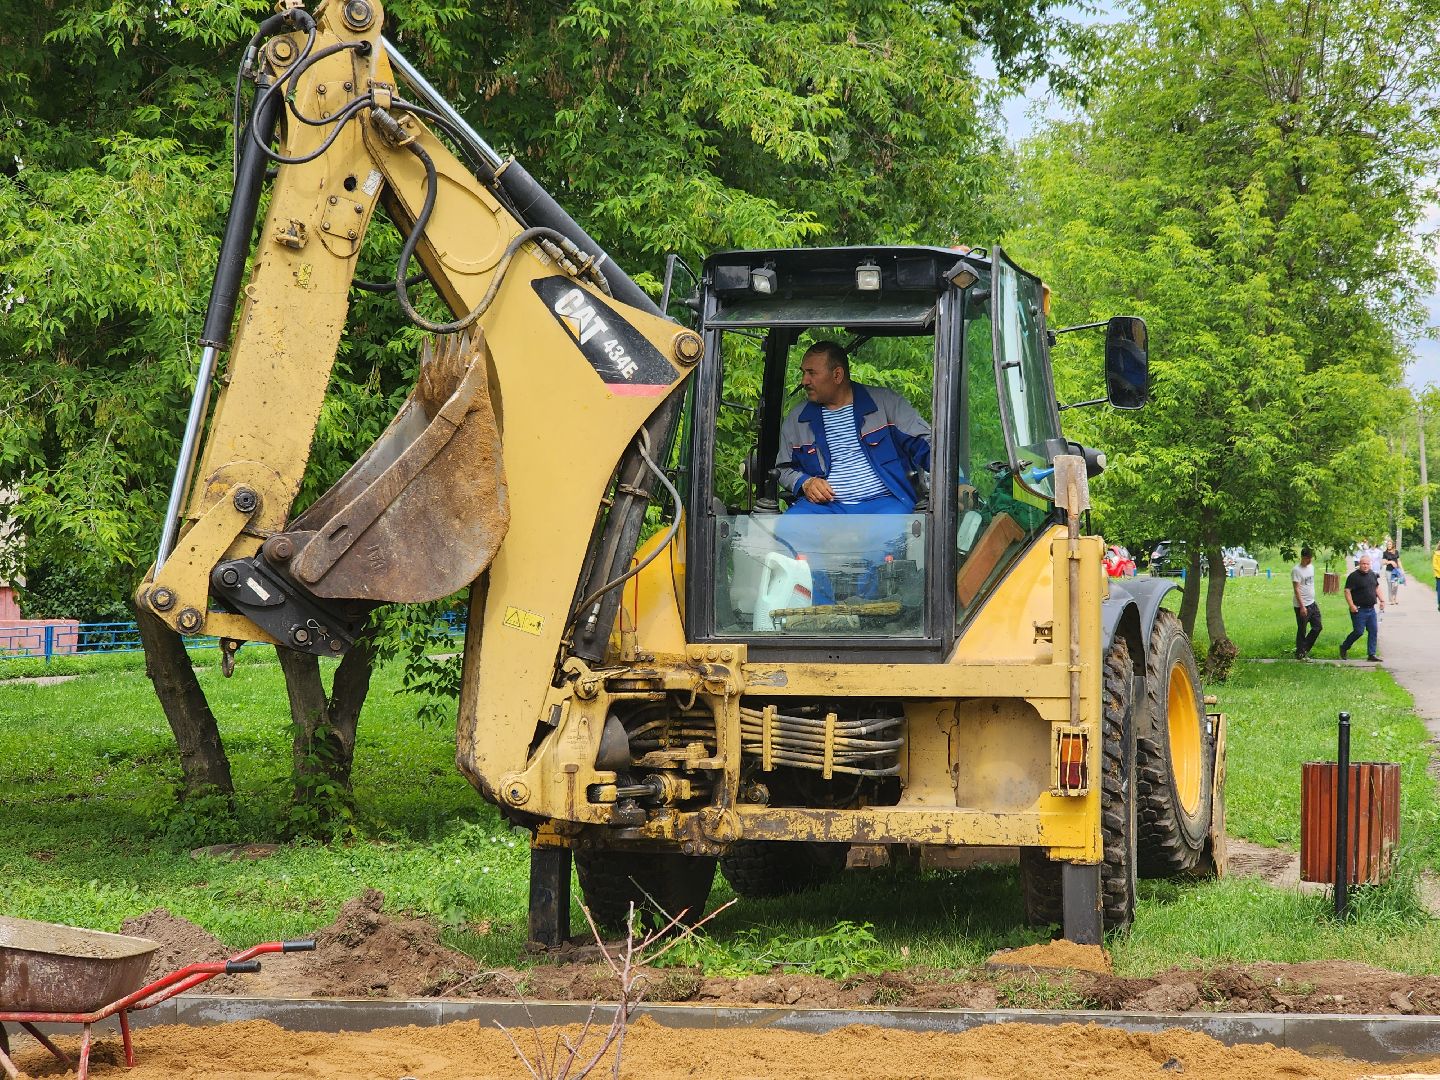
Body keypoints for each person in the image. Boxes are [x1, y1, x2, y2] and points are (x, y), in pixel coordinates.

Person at [772, 341, 931, 604]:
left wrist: (956, 483)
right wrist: (806, 482)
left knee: (887, 538)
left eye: (812, 373)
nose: (804, 380)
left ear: (837, 375)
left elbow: (928, 446)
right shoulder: (797, 419)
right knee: (789, 529)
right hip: (828, 507)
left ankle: (867, 613)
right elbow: (783, 469)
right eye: (803, 372)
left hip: (883, 502)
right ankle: (822, 612)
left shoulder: (886, 404)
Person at [1338, 553, 1385, 661]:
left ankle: (1371, 654)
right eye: (1363, 564)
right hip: (1359, 609)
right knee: (1358, 631)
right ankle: (1344, 647)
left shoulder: (1372, 574)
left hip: (1371, 609)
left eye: (1367, 564)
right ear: (1359, 564)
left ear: (1370, 564)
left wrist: (1382, 600)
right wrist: (1351, 605)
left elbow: (1376, 587)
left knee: (1373, 630)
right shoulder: (1353, 576)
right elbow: (1347, 591)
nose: (1365, 566)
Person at [1291, 547, 1321, 660]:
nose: (1309, 561)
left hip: (1312, 603)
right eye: (1307, 558)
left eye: (1310, 558)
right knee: (1302, 630)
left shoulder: (1311, 567)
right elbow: (1296, 589)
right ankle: (1300, 653)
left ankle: (1304, 649)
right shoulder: (1296, 570)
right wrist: (1302, 607)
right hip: (1301, 605)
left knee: (1318, 627)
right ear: (1303, 557)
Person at [1381, 538, 1402, 605]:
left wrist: (1402, 569)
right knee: (1390, 585)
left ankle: (1394, 598)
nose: (1389, 545)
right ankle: (1391, 600)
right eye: (1388, 544)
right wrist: (1391, 561)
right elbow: (1383, 562)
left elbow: (1398, 561)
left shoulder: (1396, 551)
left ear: (1392, 545)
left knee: (1396, 585)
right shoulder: (1385, 553)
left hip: (1396, 571)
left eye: (1390, 544)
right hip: (1389, 571)